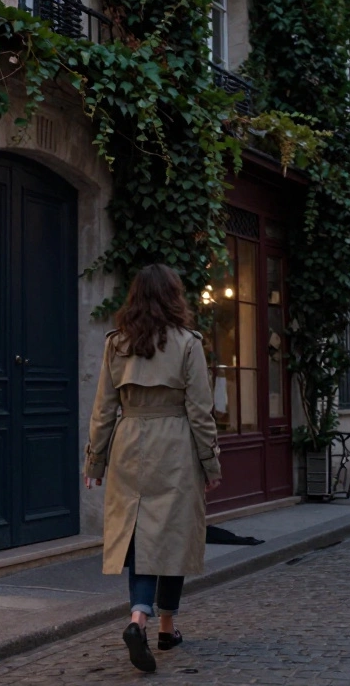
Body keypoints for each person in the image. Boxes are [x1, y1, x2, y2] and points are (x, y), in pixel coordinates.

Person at [83, 264, 222, 673]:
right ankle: (163, 625)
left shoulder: (116, 343)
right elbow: (200, 411)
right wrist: (211, 463)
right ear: (174, 296)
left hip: (129, 444)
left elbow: (104, 409)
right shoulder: (188, 343)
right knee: (172, 535)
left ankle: (140, 619)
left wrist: (96, 461)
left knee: (138, 536)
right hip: (175, 446)